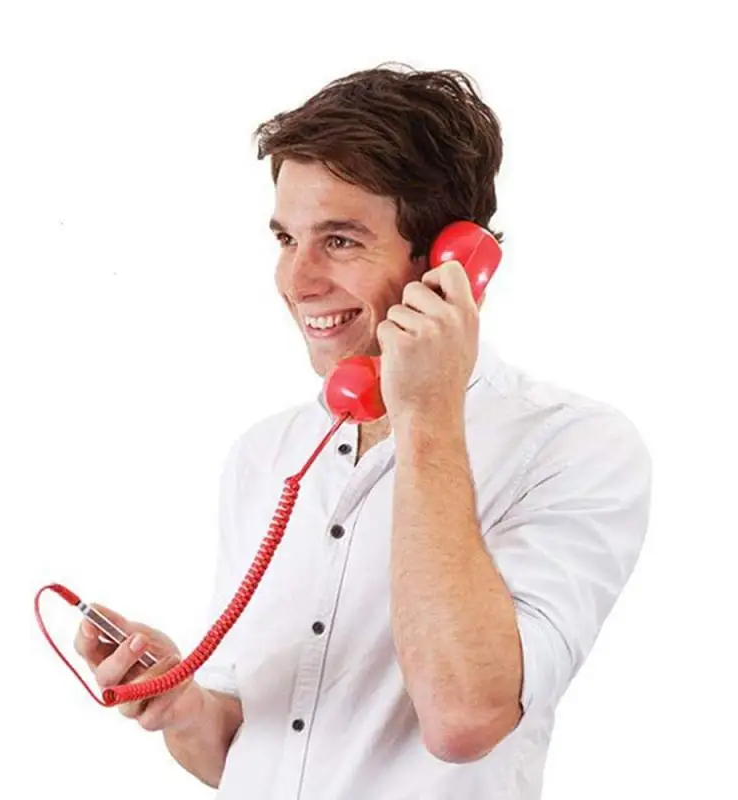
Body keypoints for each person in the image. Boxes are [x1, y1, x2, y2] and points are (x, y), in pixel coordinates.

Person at [74, 64, 652, 798]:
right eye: (286, 238)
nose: (297, 280)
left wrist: (427, 413)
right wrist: (183, 704)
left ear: (449, 259)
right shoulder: (266, 456)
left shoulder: (575, 449)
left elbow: (464, 718)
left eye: (341, 241)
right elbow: (246, 753)